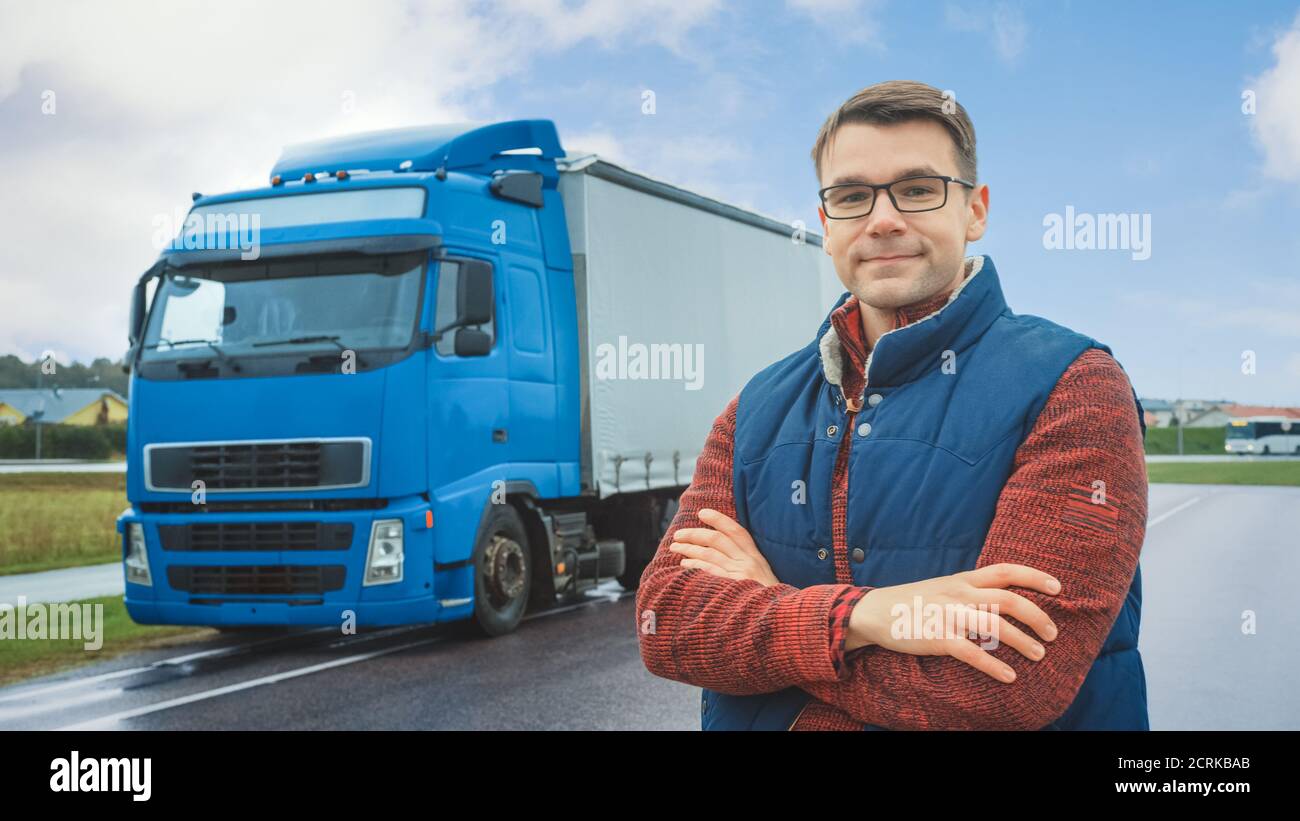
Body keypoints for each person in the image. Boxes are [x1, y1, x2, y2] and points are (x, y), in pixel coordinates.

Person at [635, 80, 1149, 730]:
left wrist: (771, 615)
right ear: (826, 226)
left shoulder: (1073, 386)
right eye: (852, 196)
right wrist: (866, 616)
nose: (883, 219)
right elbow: (668, 621)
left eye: (917, 189)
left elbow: (1004, 682)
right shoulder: (754, 409)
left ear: (975, 210)